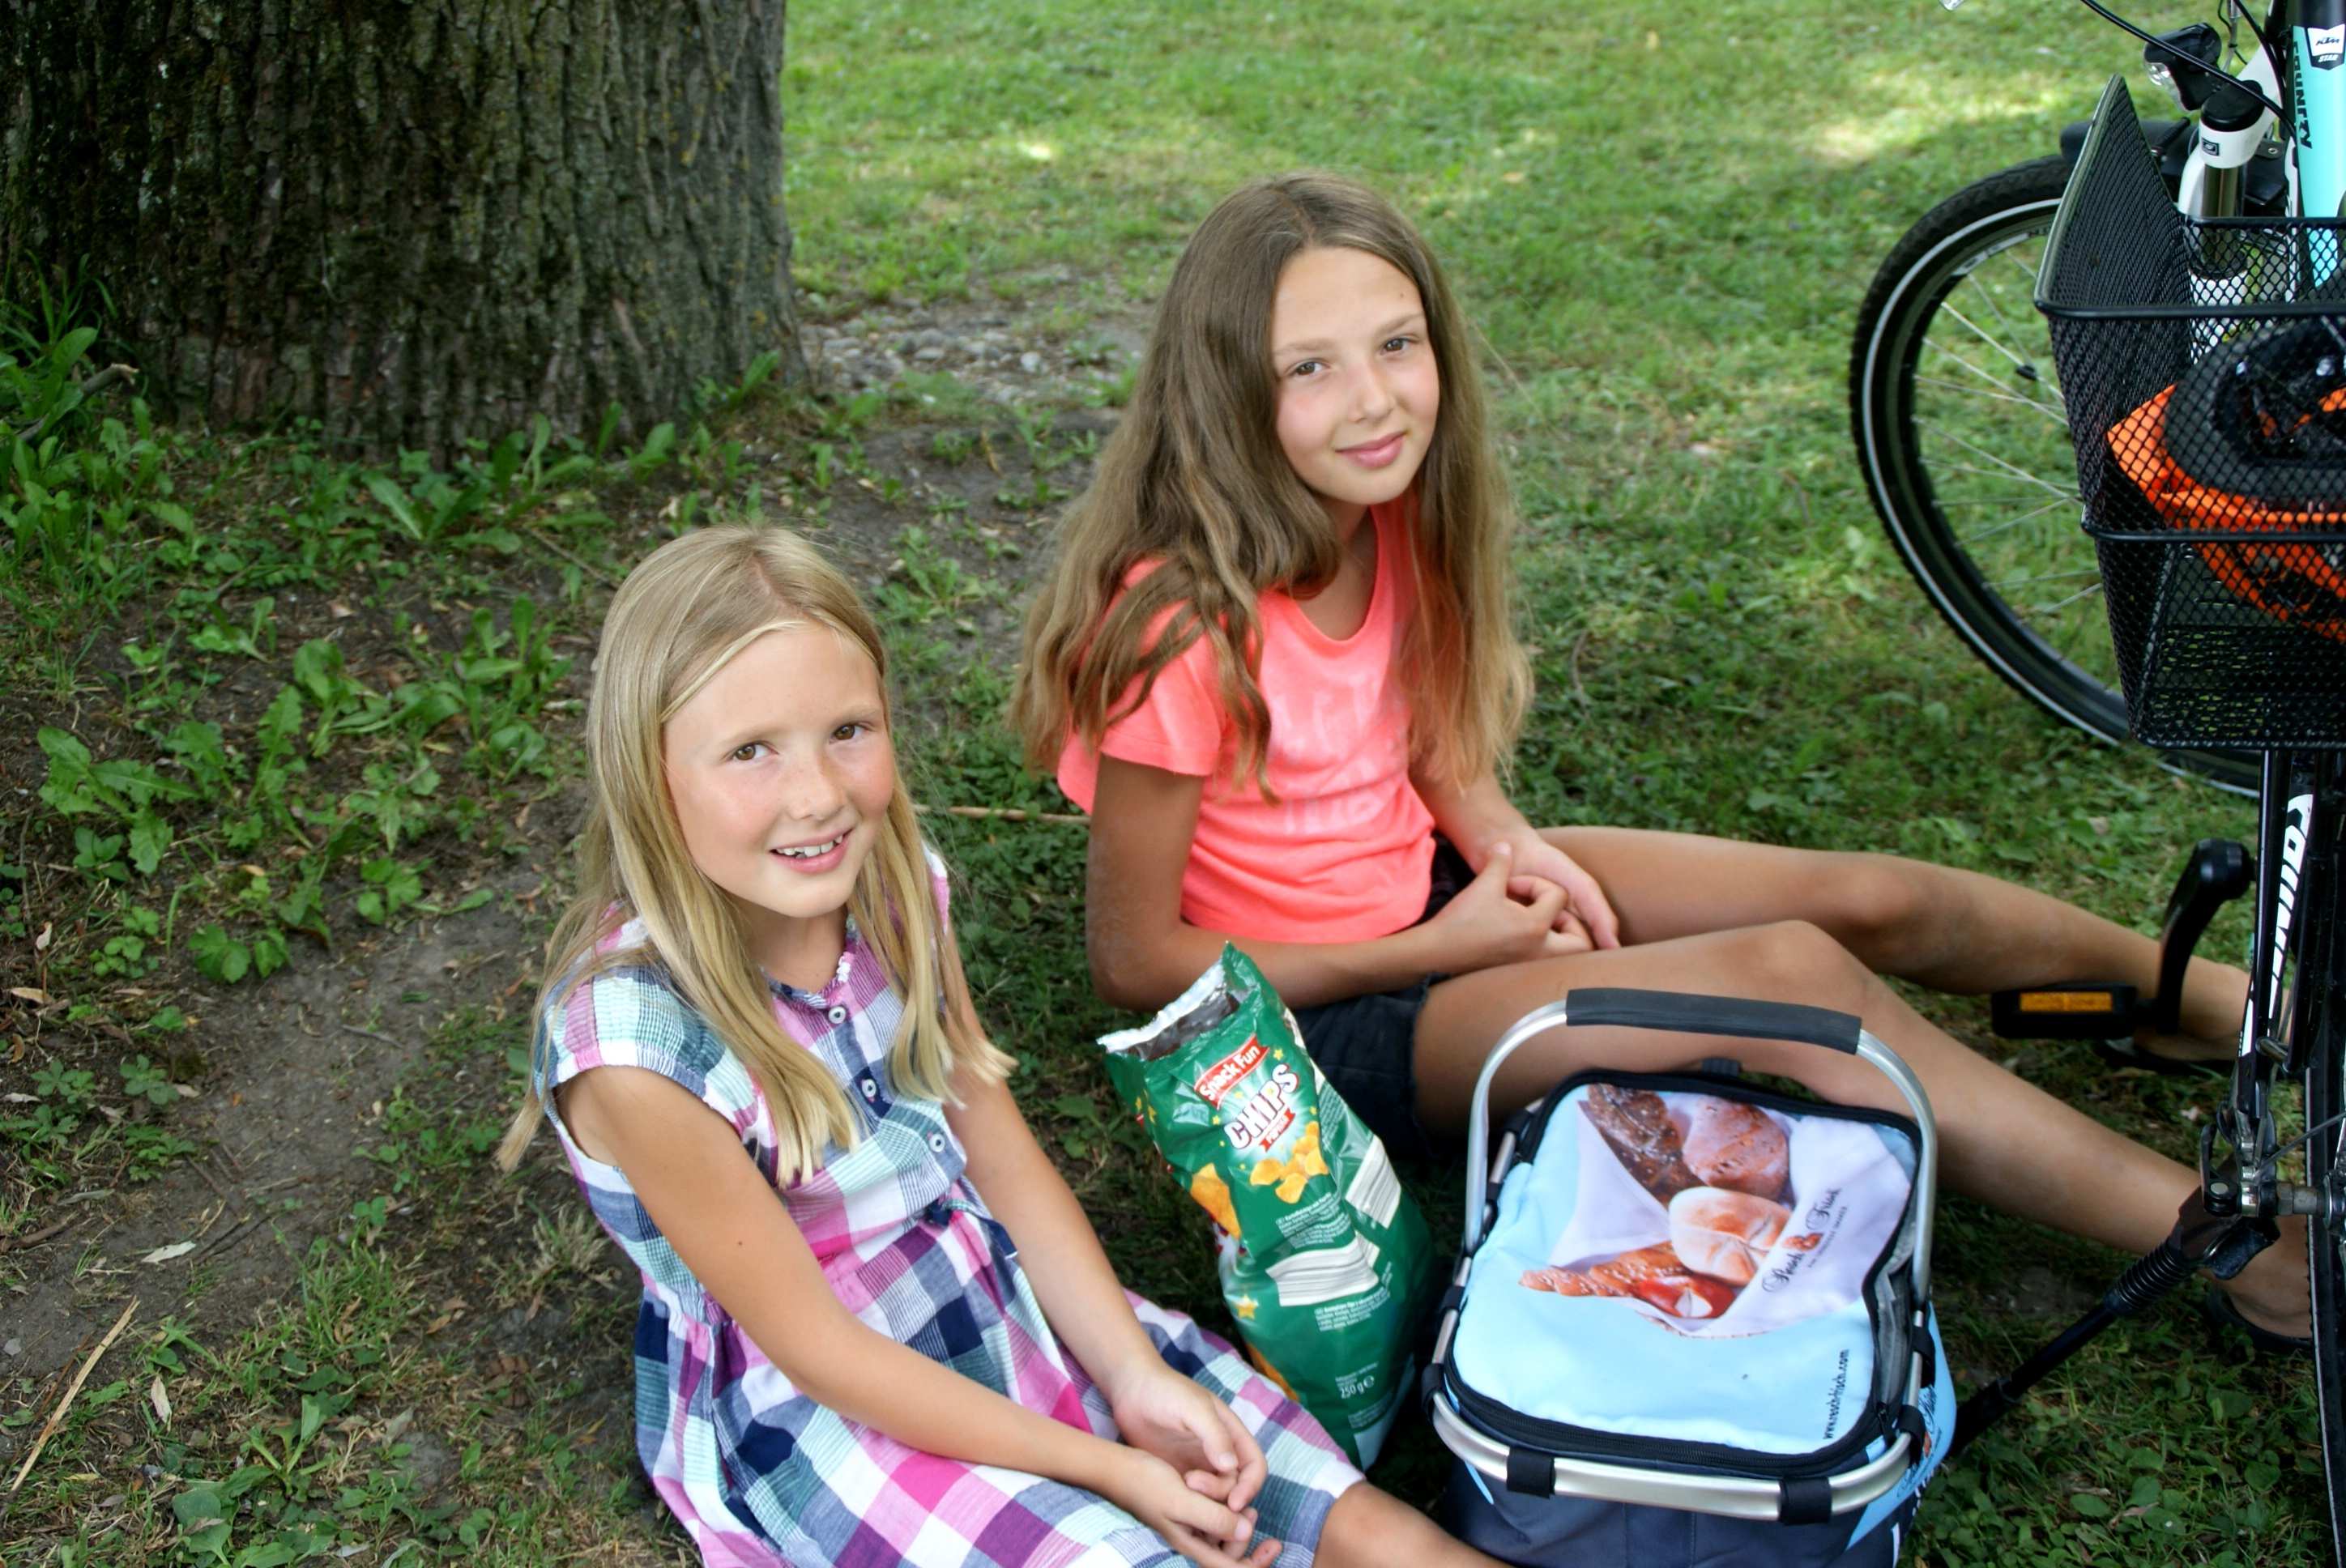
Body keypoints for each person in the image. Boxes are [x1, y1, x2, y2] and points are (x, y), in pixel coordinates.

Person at [1009, 171, 2308, 1349]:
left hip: (1437, 897)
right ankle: (2237, 1246)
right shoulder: (1176, 627)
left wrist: (1510, 850)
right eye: (1310, 367)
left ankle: (2237, 1007)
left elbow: (1433, 757)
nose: (1375, 398)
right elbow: (1138, 963)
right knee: (1799, 982)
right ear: (1227, 388)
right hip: (1317, 1029)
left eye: (1398, 343)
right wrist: (1437, 949)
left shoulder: (1382, 506)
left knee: (1871, 897)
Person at [495, 526, 1492, 1568]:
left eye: (847, 730)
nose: (817, 794)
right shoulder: (635, 1049)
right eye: (750, 750)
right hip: (837, 1406)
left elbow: (999, 1153)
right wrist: (1105, 1466)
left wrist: (1131, 1375)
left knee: (1358, 1525)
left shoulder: (886, 890)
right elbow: (819, 1348)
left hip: (998, 1293)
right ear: (646, 773)